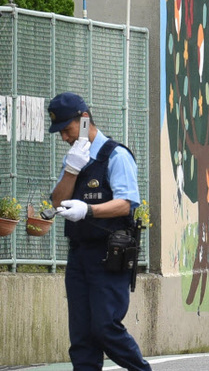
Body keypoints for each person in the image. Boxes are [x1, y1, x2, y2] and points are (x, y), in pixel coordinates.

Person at [48, 92, 152, 371]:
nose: (64, 138)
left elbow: (126, 203)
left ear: (83, 120)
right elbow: (57, 202)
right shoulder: (74, 158)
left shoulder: (115, 155)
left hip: (109, 255)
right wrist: (71, 170)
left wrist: (89, 210)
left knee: (105, 327)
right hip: (79, 255)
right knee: (81, 336)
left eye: (67, 130)